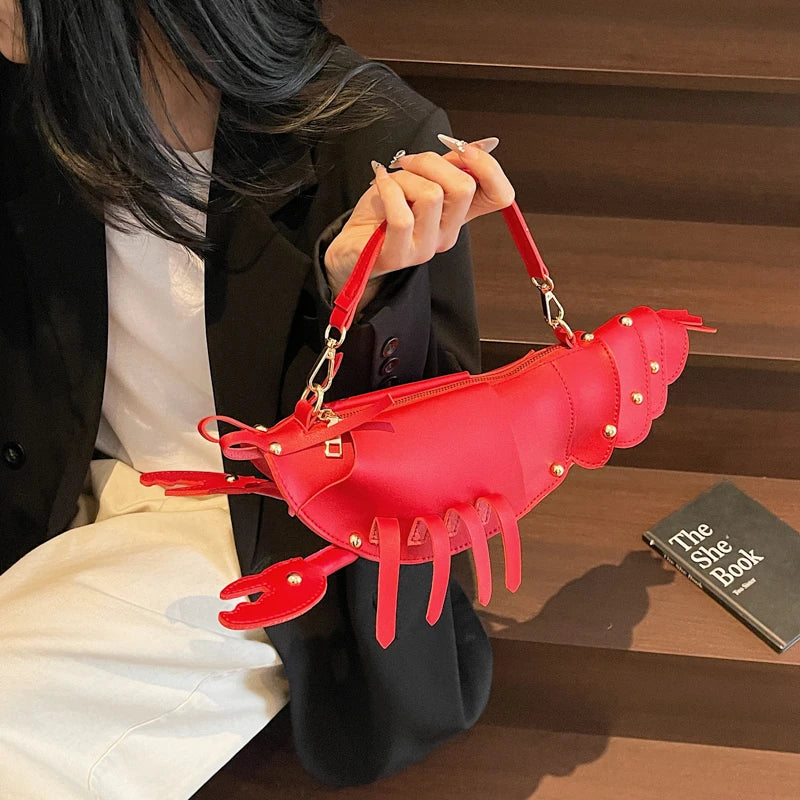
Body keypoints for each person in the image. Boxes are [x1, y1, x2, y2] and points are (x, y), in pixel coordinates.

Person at [0, 1, 515, 796]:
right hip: (70, 499)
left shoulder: (365, 135)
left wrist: (362, 295)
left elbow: (430, 459)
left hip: (252, 542)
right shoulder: (40, 97)